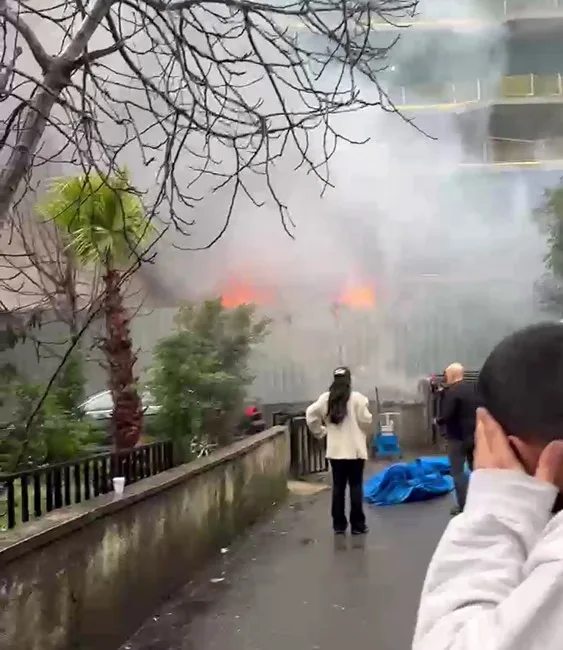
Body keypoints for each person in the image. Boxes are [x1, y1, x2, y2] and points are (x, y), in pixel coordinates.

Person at [412, 323, 563, 650]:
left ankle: (465, 499)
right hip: (471, 440)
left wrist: (497, 508)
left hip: (457, 440)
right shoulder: (469, 391)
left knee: (458, 475)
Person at [306, 367, 373, 535]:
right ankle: (358, 525)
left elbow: (310, 414)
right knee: (356, 487)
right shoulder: (357, 399)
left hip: (335, 452)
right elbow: (366, 420)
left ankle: (339, 525)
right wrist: (363, 429)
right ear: (349, 380)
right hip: (355, 451)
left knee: (338, 488)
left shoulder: (325, 399)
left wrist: (320, 432)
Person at [436, 362, 479, 514]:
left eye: (446, 374)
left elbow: (447, 414)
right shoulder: (473, 389)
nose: (445, 377)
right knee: (476, 471)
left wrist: (438, 420)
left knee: (458, 472)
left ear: (452, 375)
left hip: (457, 438)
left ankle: (463, 507)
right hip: (474, 436)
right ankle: (479, 504)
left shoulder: (452, 392)